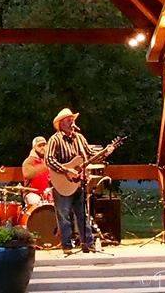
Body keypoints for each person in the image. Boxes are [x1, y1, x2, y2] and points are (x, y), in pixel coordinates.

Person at [45, 108, 113, 254]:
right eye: (68, 120)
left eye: (72, 119)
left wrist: (106, 152)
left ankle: (87, 243)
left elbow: (90, 154)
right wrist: (67, 170)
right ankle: (67, 245)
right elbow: (49, 159)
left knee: (83, 213)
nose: (72, 121)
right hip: (61, 182)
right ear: (61, 124)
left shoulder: (80, 138)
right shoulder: (54, 139)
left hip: (78, 182)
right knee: (64, 214)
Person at [22, 136, 51, 205]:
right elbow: (27, 174)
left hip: (47, 193)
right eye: (39, 146)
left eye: (44, 145)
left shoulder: (49, 160)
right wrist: (44, 166)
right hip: (31, 193)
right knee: (38, 203)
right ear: (34, 148)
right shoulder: (28, 161)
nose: (42, 148)